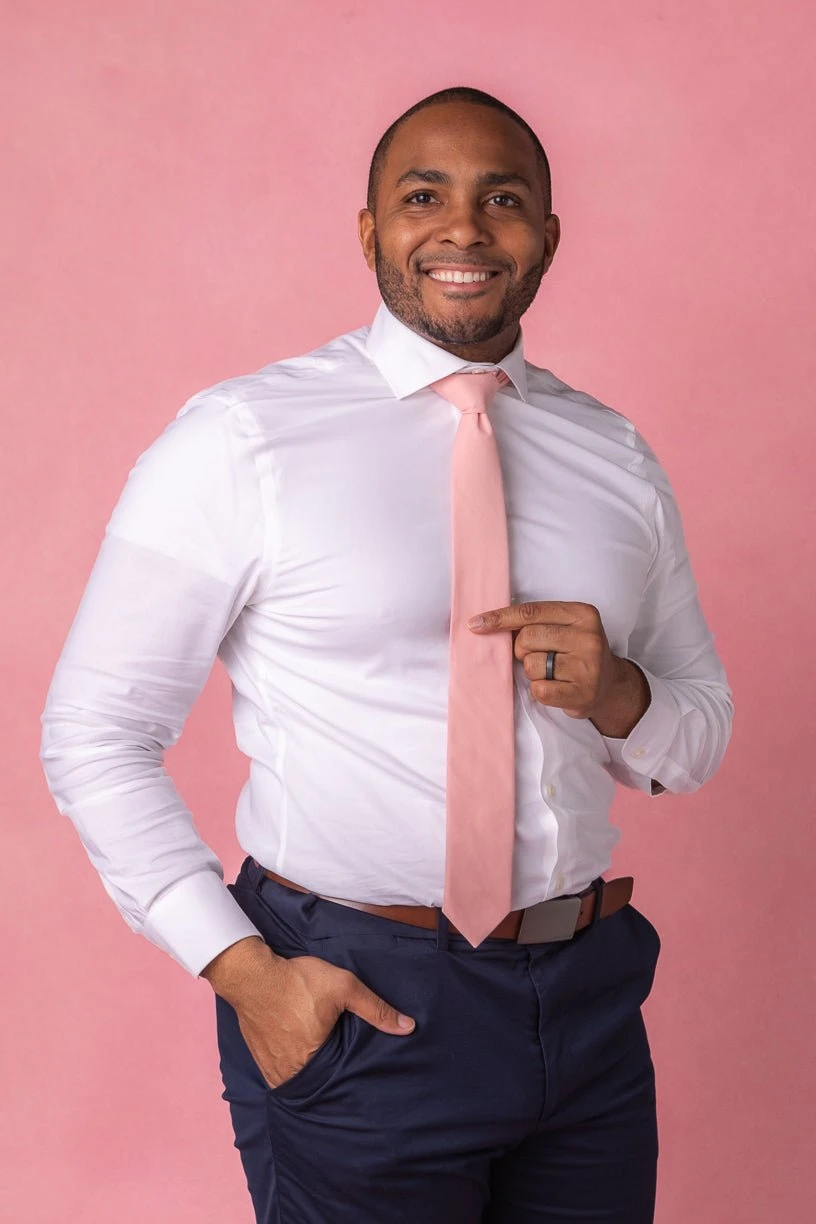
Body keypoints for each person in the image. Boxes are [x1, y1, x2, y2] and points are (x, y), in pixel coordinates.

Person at [39, 85, 733, 1223]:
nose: (464, 229)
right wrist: (245, 975)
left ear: (548, 236)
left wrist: (619, 693)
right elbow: (94, 733)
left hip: (588, 1001)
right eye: (423, 197)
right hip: (358, 994)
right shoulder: (241, 440)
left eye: (501, 200)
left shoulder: (615, 458)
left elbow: (697, 734)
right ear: (369, 231)